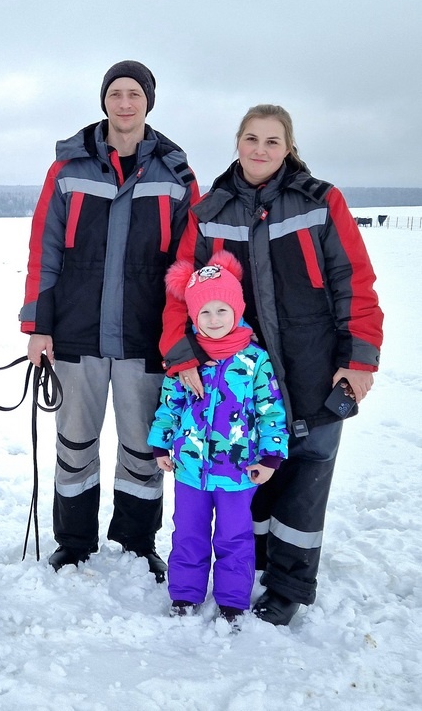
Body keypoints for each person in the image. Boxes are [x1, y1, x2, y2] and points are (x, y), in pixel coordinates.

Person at [160, 104, 383, 625]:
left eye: (272, 141)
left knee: (306, 475)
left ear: (288, 148)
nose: (260, 150)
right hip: (236, 372)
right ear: (237, 141)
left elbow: (356, 280)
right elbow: (180, 292)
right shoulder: (208, 211)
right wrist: (181, 353)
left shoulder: (321, 202)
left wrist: (360, 358)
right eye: (252, 138)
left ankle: (288, 586)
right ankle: (253, 565)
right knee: (248, 471)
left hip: (314, 364)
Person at [20, 60, 198, 578]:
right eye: (116, 94)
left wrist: (184, 338)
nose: (125, 104)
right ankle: (74, 543)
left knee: (144, 448)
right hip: (77, 334)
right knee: (75, 443)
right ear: (104, 101)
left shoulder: (176, 174)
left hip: (147, 337)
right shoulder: (68, 169)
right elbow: (43, 250)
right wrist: (38, 326)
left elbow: (191, 262)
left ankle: (139, 542)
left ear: (148, 103)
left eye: (134, 95)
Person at [148, 250, 288, 622]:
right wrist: (162, 441)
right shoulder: (186, 359)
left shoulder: (255, 360)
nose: (213, 320)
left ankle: (231, 599)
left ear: (237, 310)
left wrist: (271, 456)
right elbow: (169, 402)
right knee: (188, 533)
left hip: (239, 471)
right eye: (204, 312)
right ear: (193, 316)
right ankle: (185, 593)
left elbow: (271, 409)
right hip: (191, 469)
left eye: (221, 310)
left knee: (234, 537)